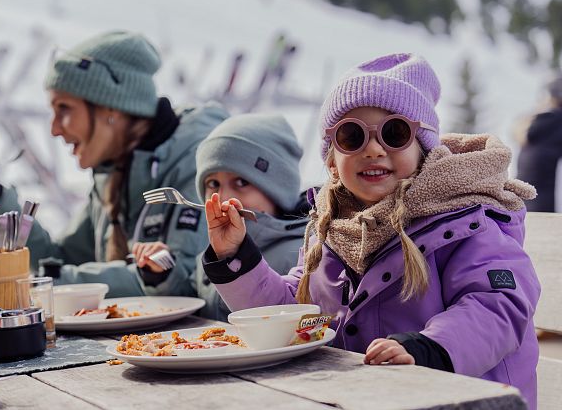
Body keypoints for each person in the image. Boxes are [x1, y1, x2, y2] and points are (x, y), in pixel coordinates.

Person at [200, 54, 540, 408]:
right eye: (352, 136)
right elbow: (296, 317)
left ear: (423, 148)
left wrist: (430, 348)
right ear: (332, 160)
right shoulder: (331, 230)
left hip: (464, 399)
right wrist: (235, 255)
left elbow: (498, 304)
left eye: (395, 133)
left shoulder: (466, 218)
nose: (374, 149)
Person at [0, 31, 228, 297]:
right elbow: (60, 259)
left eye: (64, 109)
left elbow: (180, 277)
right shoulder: (113, 173)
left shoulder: (197, 161)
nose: (54, 129)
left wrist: (48, 282)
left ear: (111, 109)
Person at [132, 113, 309, 321]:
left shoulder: (300, 255)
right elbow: (197, 308)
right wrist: (164, 273)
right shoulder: (211, 256)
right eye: (213, 184)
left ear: (279, 188)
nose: (223, 197)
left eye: (241, 182)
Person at [517, 74, 562, 212]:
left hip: (525, 193)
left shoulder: (542, 119)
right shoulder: (555, 120)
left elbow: (521, 133)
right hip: (542, 196)